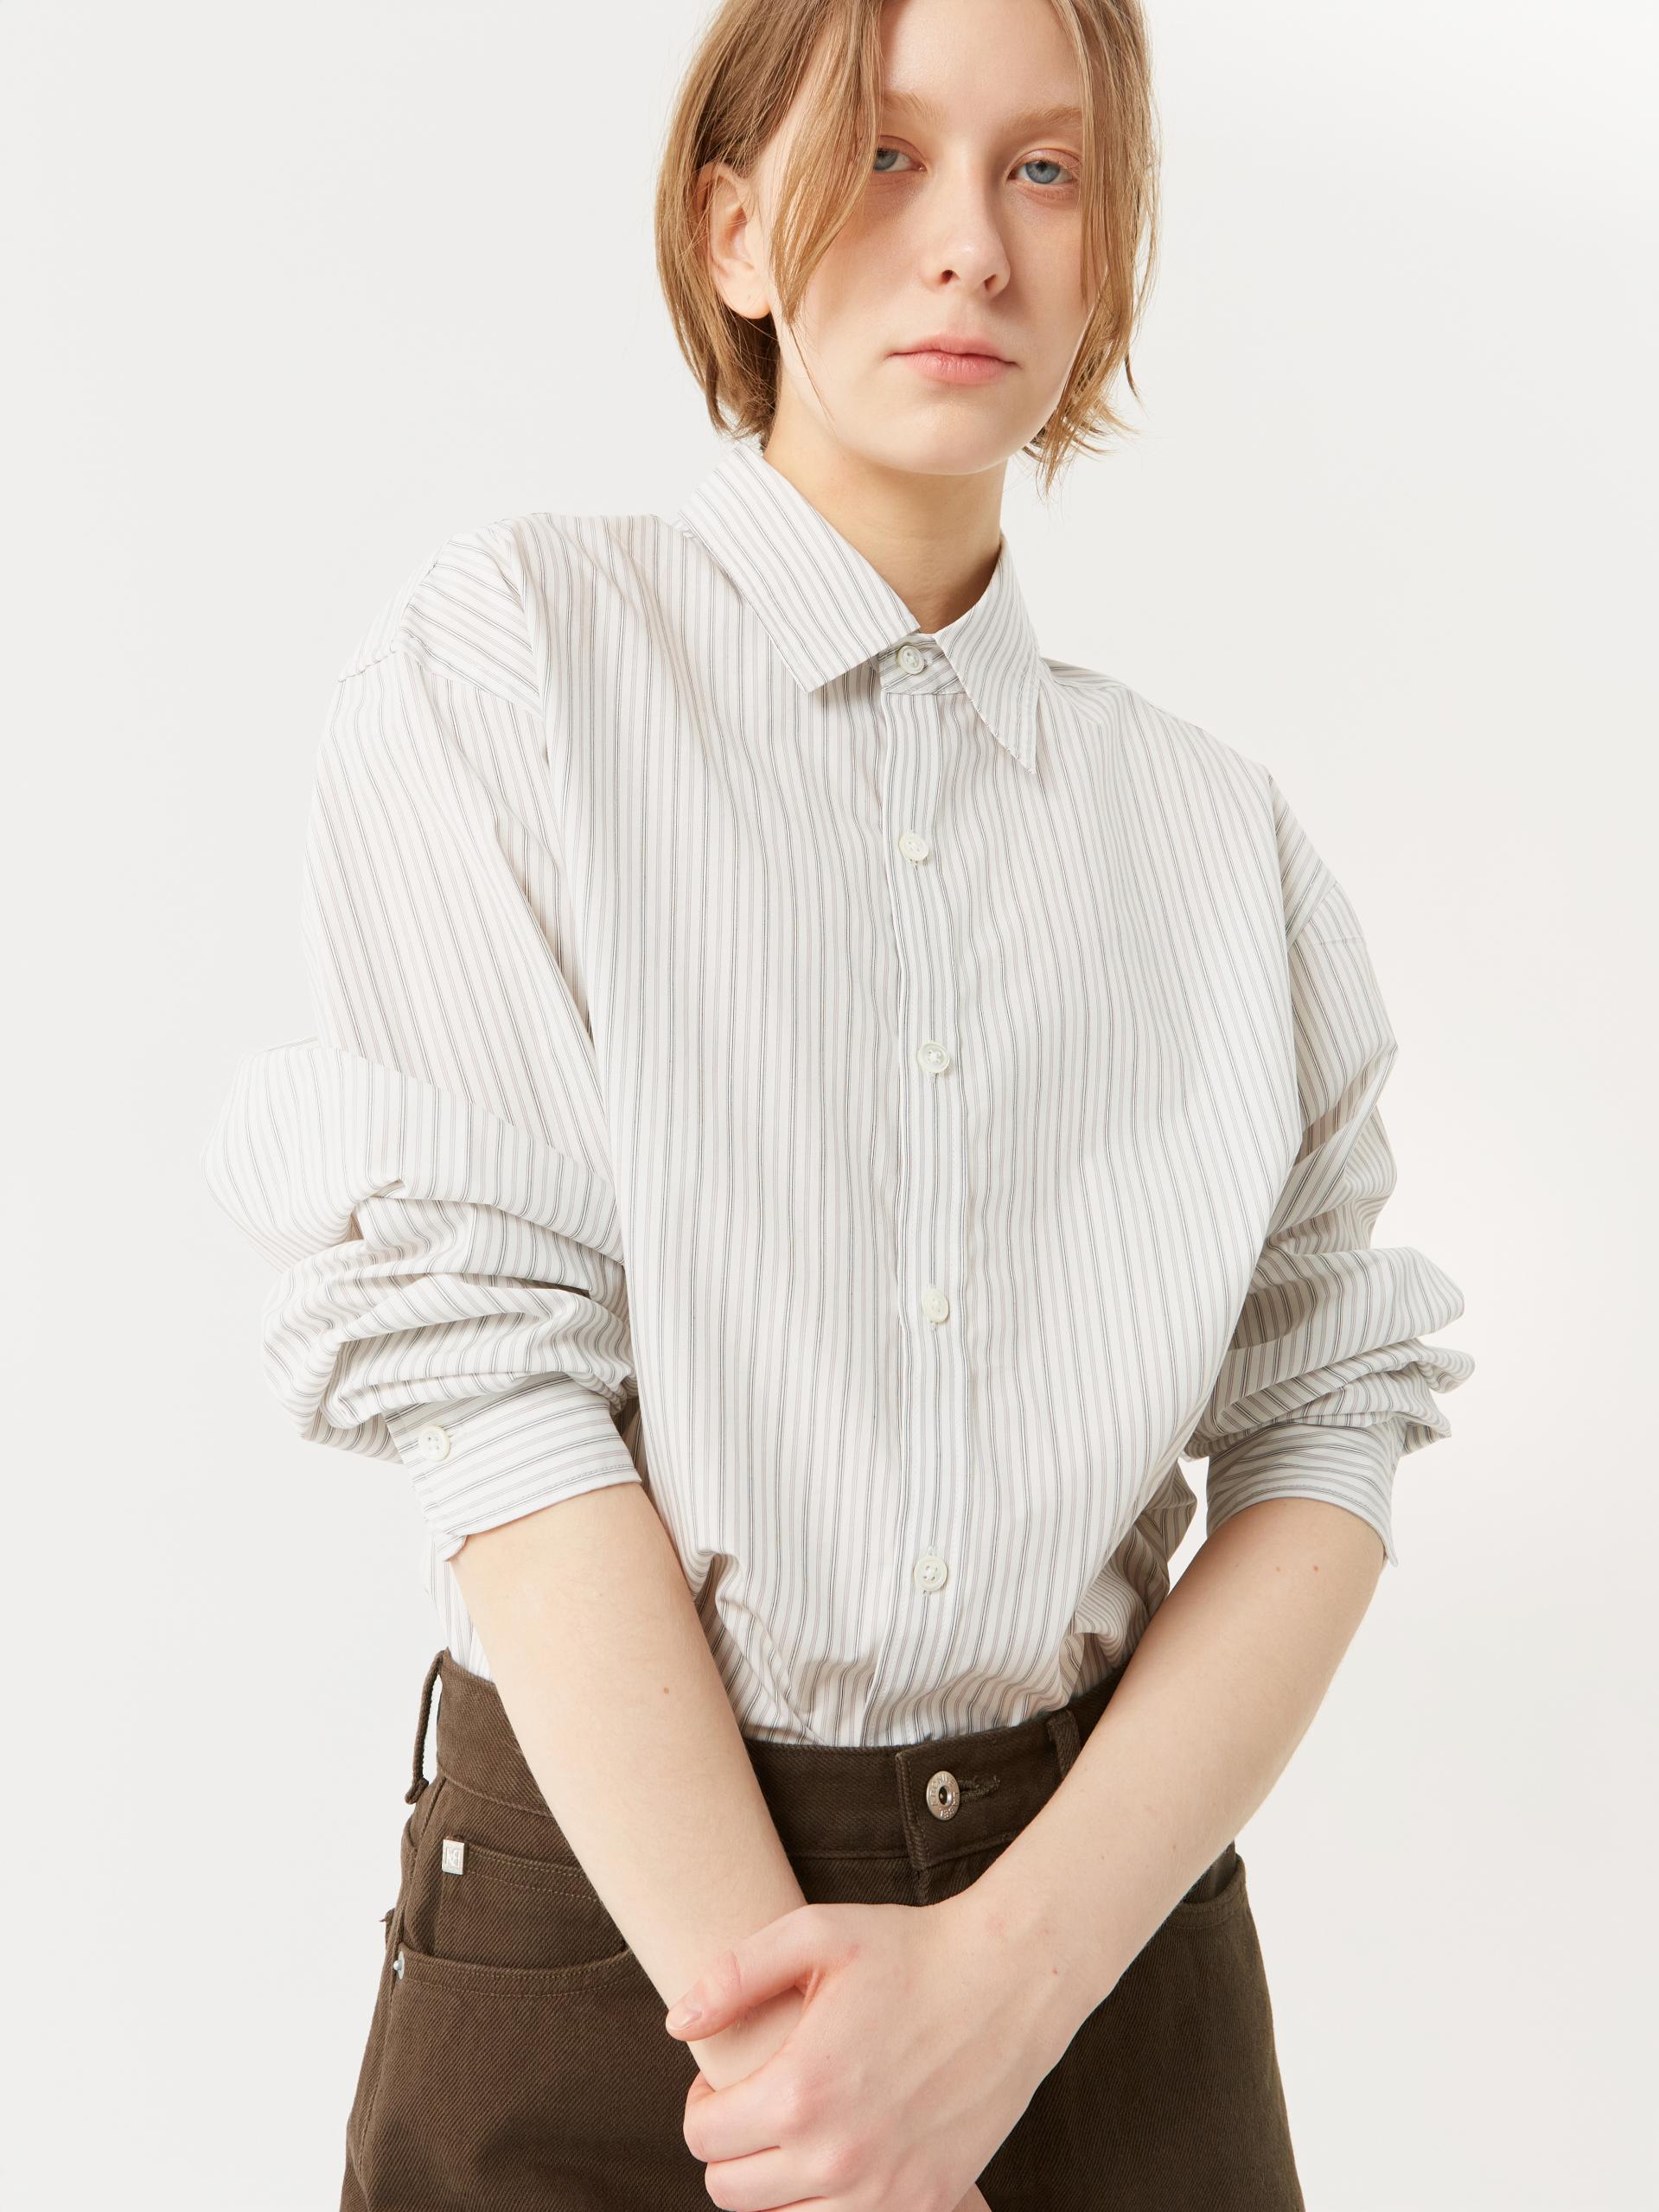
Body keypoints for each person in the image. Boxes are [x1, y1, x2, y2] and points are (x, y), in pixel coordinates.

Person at [201, 0, 1474, 2204]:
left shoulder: (1219, 843)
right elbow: (492, 1383)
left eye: (1045, 170)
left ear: (1105, 252)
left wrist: (1012, 1982)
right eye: (883, 154)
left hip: (1103, 1964)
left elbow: (1325, 1421)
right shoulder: (514, 668)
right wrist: (826, 2100)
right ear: (733, 233)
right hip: (612, 1949)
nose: (971, 239)